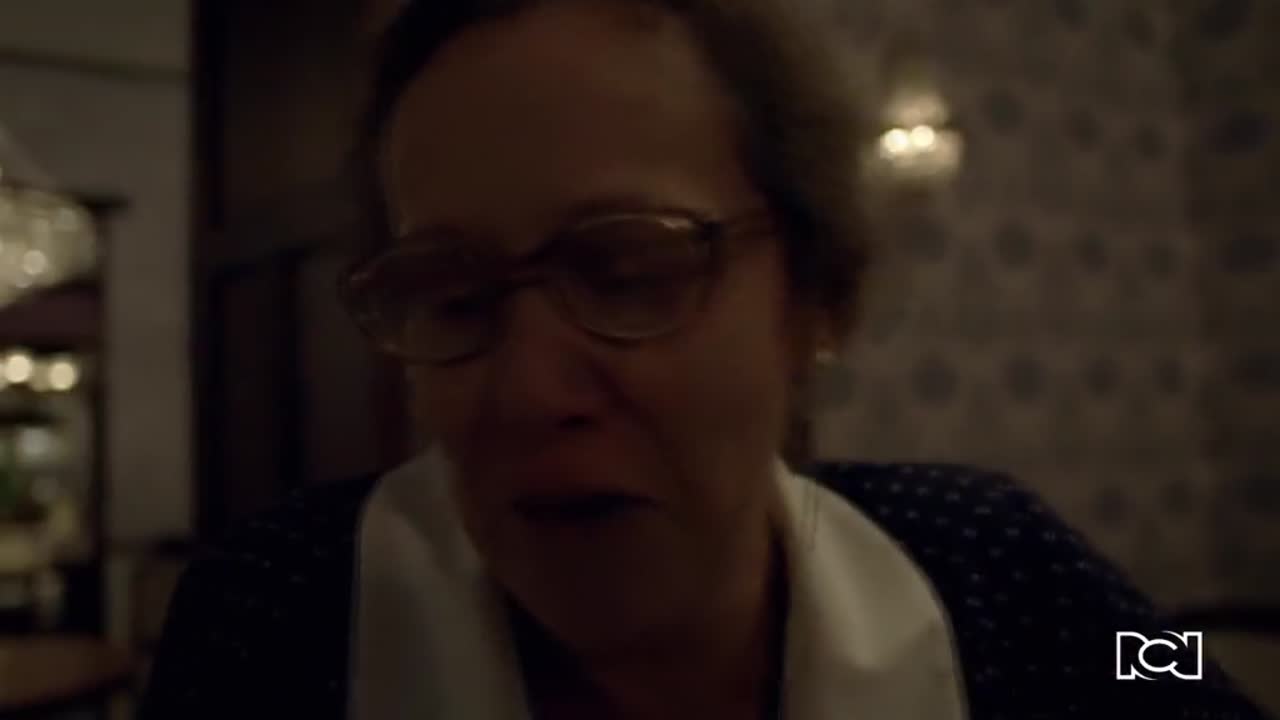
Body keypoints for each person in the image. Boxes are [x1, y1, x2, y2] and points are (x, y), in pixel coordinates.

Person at [141, 1, 1272, 718]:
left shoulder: (999, 570)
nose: (528, 392)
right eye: (449, 294)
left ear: (816, 299)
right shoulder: (273, 616)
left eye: (628, 270)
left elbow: (1174, 671)